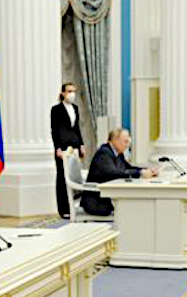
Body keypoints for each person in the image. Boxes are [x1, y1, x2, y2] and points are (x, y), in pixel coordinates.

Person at [81, 128, 158, 216]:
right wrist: (140, 173)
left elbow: (128, 167)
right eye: (125, 141)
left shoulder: (117, 153)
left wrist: (146, 170)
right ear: (115, 141)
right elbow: (113, 173)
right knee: (133, 206)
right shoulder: (104, 153)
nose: (128, 144)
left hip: (107, 197)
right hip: (97, 201)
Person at [51, 82, 85, 218]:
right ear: (63, 93)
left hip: (75, 145)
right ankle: (63, 209)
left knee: (73, 175)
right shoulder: (56, 109)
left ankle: (72, 206)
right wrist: (57, 148)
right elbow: (54, 130)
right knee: (62, 176)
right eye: (70, 91)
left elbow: (77, 128)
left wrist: (81, 144)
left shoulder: (75, 108)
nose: (72, 94)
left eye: (74, 91)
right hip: (63, 147)